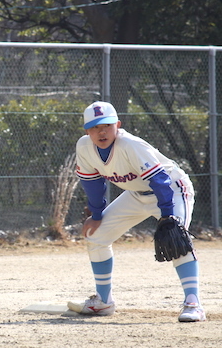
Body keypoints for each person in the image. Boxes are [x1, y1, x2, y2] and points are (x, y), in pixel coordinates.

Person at [67, 101, 205, 322]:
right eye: (95, 127)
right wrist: (97, 215)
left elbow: (160, 180)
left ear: (118, 125)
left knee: (177, 237)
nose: (101, 132)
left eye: (107, 125)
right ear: (87, 131)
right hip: (135, 194)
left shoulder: (129, 145)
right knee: (97, 236)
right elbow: (93, 184)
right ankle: (104, 302)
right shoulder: (84, 147)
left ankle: (193, 303)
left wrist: (168, 216)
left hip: (172, 190)